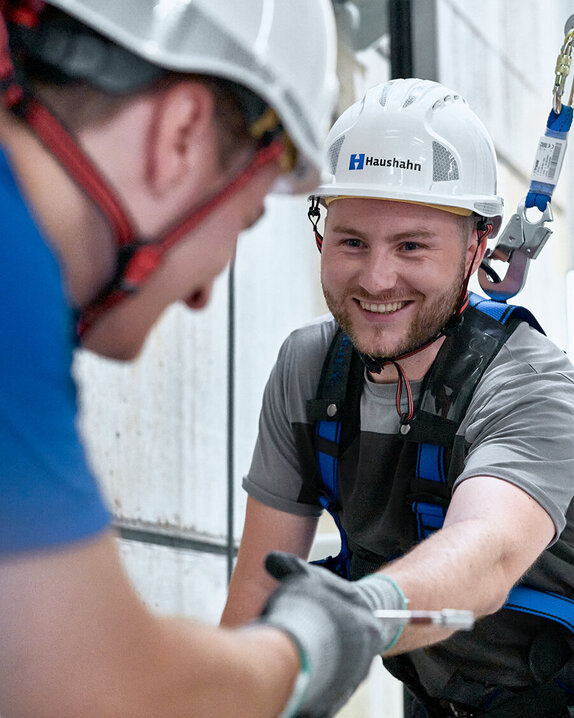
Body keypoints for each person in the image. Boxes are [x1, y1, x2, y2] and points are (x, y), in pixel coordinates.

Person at [0, 2, 410, 717]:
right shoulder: (14, 282)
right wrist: (304, 648)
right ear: (181, 135)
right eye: (244, 221)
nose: (202, 293)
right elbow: (102, 690)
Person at [222, 78, 574, 717]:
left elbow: (486, 557)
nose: (377, 279)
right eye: (352, 241)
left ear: (477, 245)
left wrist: (352, 617)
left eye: (412, 245)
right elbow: (253, 598)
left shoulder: (532, 388)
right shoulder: (309, 371)